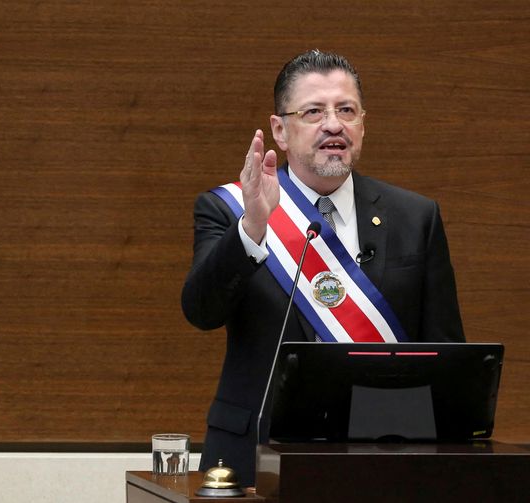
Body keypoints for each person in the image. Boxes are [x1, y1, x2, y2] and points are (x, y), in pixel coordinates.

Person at [181, 49, 465, 487]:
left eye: (346, 110)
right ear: (280, 129)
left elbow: (446, 357)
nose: (333, 124)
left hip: (382, 457)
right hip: (256, 452)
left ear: (363, 125)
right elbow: (201, 311)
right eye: (314, 111)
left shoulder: (416, 216)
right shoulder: (231, 209)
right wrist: (253, 228)